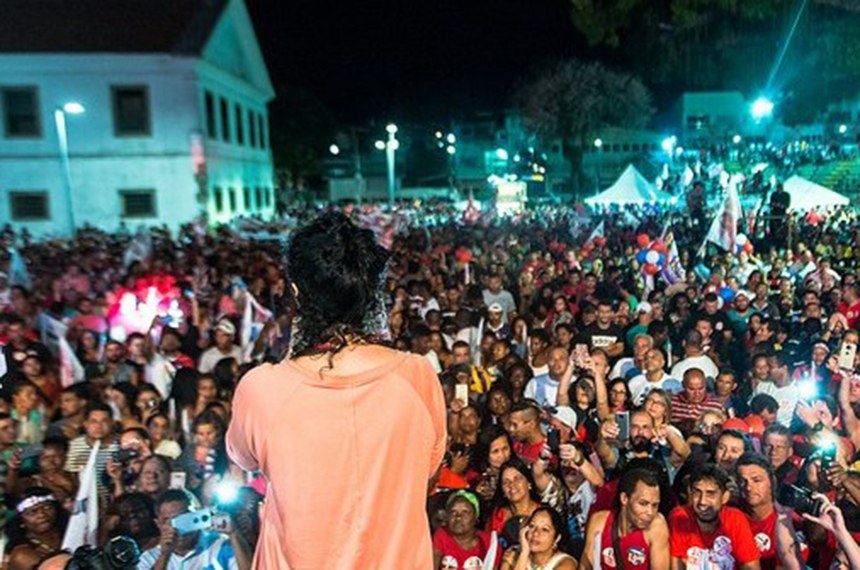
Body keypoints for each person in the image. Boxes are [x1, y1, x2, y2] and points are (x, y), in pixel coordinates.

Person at [226, 212, 447, 569]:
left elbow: (243, 457)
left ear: (296, 292)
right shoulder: (417, 376)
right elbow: (428, 468)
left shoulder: (262, 389)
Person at [668, 464, 761, 569]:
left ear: (725, 497)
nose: (702, 501)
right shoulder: (680, 517)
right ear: (690, 493)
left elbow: (751, 566)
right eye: (697, 493)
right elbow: (677, 565)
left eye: (710, 494)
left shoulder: (735, 519)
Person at [137, 488, 252, 570]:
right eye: (170, 521)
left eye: (185, 518)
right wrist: (165, 555)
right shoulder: (149, 558)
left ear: (197, 514)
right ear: (158, 524)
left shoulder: (221, 545)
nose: (178, 528)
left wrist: (234, 534)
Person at [580, 468, 670, 569]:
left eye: (654, 505)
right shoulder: (599, 522)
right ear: (624, 498)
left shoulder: (656, 527)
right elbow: (586, 565)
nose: (650, 512)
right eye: (643, 503)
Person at [735, 453, 803, 570]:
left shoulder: (789, 522)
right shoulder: (730, 517)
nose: (748, 488)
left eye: (756, 480)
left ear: (772, 482)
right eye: (743, 481)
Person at [6, 487, 66, 570]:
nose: (42, 515)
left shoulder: (68, 533)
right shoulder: (22, 555)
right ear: (21, 521)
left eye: (47, 508)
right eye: (32, 512)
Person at [501, 506, 576, 570]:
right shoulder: (513, 553)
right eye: (532, 526)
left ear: (557, 539)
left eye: (544, 529)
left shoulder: (567, 564)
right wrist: (524, 553)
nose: (536, 533)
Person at [432, 491, 492, 570]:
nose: (458, 517)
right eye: (453, 512)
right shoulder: (441, 536)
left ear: (476, 519)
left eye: (465, 512)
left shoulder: (487, 542)